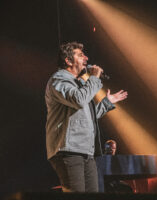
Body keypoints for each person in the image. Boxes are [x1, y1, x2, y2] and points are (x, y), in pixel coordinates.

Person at [45, 41, 128, 192]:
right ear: (68, 61)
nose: (87, 58)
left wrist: (107, 102)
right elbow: (78, 99)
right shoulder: (59, 79)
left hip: (85, 151)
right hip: (68, 150)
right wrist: (94, 78)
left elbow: (87, 116)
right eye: (81, 55)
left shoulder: (79, 84)